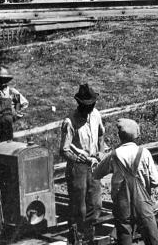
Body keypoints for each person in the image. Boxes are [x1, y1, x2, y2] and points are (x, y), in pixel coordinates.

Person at [93, 118, 158, 245]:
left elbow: (96, 174)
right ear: (136, 135)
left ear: (120, 136)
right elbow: (155, 181)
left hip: (122, 204)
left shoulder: (114, 155)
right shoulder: (144, 153)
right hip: (143, 204)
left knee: (124, 236)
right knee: (152, 239)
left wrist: (99, 160)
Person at [59, 83, 108, 245]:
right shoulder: (70, 121)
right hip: (78, 167)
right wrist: (78, 158)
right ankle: (76, 238)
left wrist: (101, 152)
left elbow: (101, 134)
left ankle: (89, 237)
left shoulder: (96, 115)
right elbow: (64, 150)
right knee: (79, 207)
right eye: (87, 105)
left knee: (95, 204)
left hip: (94, 165)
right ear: (80, 104)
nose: (90, 108)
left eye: (92, 105)